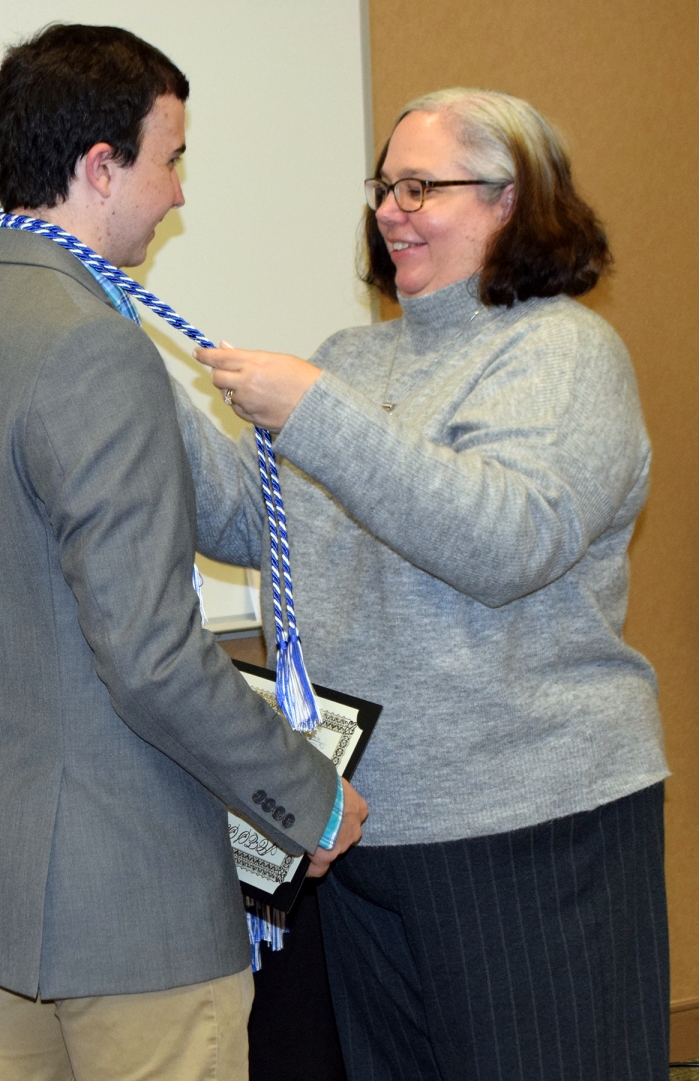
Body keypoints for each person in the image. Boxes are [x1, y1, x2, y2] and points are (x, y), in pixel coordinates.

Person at [0, 24, 367, 1081]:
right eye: (172, 158)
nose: (180, 191)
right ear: (101, 168)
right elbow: (151, 656)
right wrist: (308, 793)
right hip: (129, 907)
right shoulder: (94, 344)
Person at [177, 88, 669, 1080]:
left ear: (511, 199)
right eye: (383, 187)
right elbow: (243, 521)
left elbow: (506, 539)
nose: (390, 210)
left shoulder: (563, 351)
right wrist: (126, 371)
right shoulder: (353, 358)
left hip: (529, 832)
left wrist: (314, 412)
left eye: (419, 186)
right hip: (366, 835)